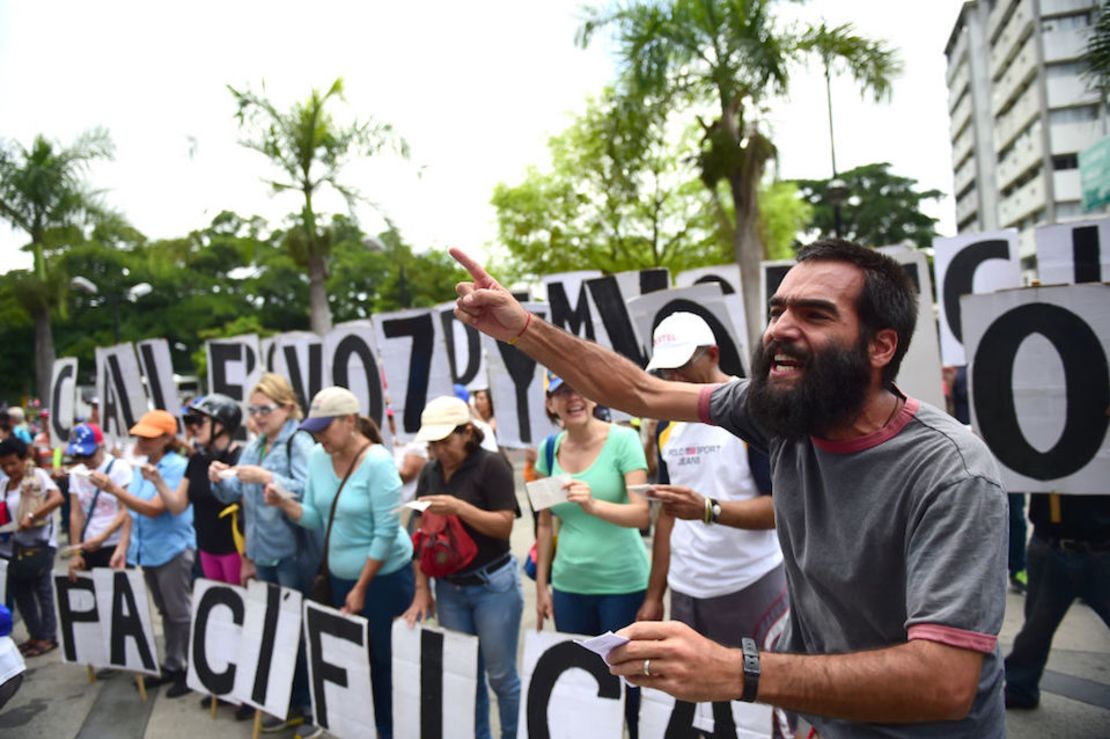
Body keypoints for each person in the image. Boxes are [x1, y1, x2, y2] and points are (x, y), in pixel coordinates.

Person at [448, 240, 1008, 737]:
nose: (781, 329)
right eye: (777, 310)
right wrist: (523, 328)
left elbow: (945, 682)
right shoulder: (778, 411)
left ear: (880, 346)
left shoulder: (951, 472)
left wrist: (738, 669)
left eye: (814, 314)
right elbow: (640, 391)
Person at [635, 312, 791, 735]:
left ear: (714, 354)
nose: (674, 375)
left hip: (750, 585)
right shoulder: (669, 423)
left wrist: (710, 509)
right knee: (698, 711)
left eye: (683, 362)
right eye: (665, 367)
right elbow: (668, 515)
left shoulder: (753, 411)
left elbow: (784, 509)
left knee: (761, 709)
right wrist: (655, 595)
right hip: (688, 592)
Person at [267, 386, 413, 739]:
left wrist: (361, 587)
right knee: (355, 659)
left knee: (385, 661)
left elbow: (386, 532)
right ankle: (366, 728)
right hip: (343, 580)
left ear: (350, 421)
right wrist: (285, 503)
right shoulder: (318, 457)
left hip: (384, 581)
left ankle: (390, 730)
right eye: (314, 430)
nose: (318, 437)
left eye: (324, 428)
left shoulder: (378, 463)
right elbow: (317, 517)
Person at [533, 371, 650, 739]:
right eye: (561, 391)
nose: (572, 398)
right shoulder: (548, 449)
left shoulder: (624, 440)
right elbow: (544, 524)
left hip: (621, 584)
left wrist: (594, 504)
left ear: (594, 396)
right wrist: (541, 587)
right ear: (551, 404)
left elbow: (642, 513)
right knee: (581, 683)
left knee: (628, 683)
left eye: (579, 388)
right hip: (569, 587)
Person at [402, 395, 522, 739]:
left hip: (492, 586)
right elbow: (420, 533)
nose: (439, 451)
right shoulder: (429, 471)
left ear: (467, 432)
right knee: (465, 674)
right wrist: (422, 589)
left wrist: (458, 508)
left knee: (500, 676)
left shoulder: (492, 465)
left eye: (445, 441)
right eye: (433, 443)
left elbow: (504, 526)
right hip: (450, 588)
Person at [210, 373, 316, 731]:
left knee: (298, 631)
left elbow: (308, 492)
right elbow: (231, 495)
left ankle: (307, 705)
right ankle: (286, 701)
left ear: (286, 407)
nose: (256, 417)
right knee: (278, 630)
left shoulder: (298, 442)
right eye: (252, 410)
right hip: (263, 553)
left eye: (264, 410)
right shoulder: (255, 446)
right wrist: (219, 479)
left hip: (291, 553)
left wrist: (269, 479)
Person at [102, 410, 192, 697]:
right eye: (140, 435)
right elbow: (133, 511)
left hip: (172, 550)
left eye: (149, 436)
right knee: (166, 611)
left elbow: (154, 509)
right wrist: (124, 545)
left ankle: (191, 669)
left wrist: (114, 489)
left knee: (180, 612)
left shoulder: (177, 466)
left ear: (167, 438)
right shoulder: (143, 464)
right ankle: (173, 663)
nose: (141, 440)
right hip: (149, 551)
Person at [1004, 493, 1110, 709]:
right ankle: (1019, 685)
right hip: (1049, 543)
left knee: (1036, 626)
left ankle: (1019, 684)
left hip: (1102, 546)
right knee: (1036, 627)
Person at [156, 395, 244, 586]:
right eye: (192, 421)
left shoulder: (242, 458)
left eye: (200, 421)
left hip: (235, 551)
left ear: (221, 425)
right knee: (217, 613)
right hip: (205, 549)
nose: (194, 427)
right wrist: (157, 481)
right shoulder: (197, 460)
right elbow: (178, 506)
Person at [0, 437, 64, 657]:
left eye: (12, 464)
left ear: (23, 460)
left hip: (40, 544)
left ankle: (48, 636)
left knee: (42, 591)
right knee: (21, 593)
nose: (9, 469)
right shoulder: (4, 485)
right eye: (4, 465)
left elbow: (57, 498)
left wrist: (33, 515)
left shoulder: (37, 476)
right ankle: (35, 635)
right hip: (13, 548)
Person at [66, 423, 132, 575]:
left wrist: (102, 537)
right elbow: (76, 514)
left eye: (87, 454)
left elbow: (125, 510)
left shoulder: (120, 468)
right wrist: (76, 552)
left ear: (101, 446)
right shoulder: (76, 473)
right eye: (77, 456)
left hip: (114, 542)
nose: (83, 460)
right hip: (88, 543)